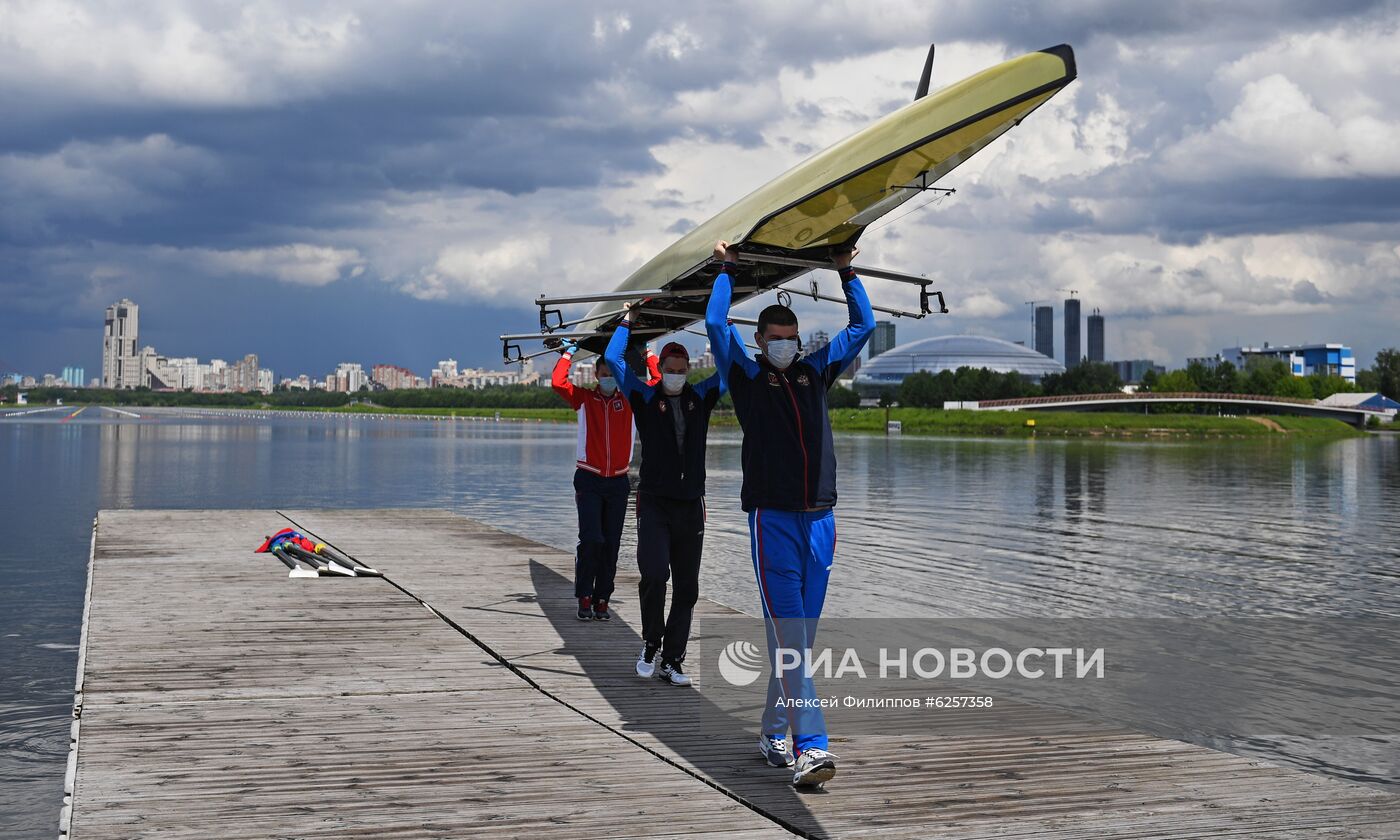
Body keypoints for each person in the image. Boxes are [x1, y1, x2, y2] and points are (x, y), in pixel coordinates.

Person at [704, 239, 873, 787]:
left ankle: (774, 728)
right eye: (774, 339)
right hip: (772, 522)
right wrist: (727, 269)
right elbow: (713, 321)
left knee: (797, 641)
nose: (783, 345)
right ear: (758, 341)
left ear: (799, 340)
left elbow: (864, 326)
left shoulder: (815, 371)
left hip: (821, 522)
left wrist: (846, 272)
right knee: (793, 640)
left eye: (790, 338)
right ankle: (812, 748)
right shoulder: (746, 377)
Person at [603, 306, 728, 686]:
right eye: (670, 369)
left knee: (687, 587)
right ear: (662, 371)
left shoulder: (702, 397)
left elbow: (729, 366)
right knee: (655, 574)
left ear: (688, 370)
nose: (675, 375)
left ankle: (672, 660)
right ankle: (650, 643)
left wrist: (721, 329)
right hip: (654, 501)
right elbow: (612, 358)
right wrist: (626, 322)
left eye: (681, 369)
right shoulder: (642, 396)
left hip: (691, 504)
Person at [552, 339, 660, 622]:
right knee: (592, 540)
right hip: (588, 478)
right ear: (596, 376)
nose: (609, 378)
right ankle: (584, 596)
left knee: (611, 544)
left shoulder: (632, 399)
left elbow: (659, 382)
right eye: (604, 374)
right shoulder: (584, 399)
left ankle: (603, 599)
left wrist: (647, 353)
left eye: (613, 373)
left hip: (618, 482)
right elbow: (557, 381)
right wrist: (569, 352)